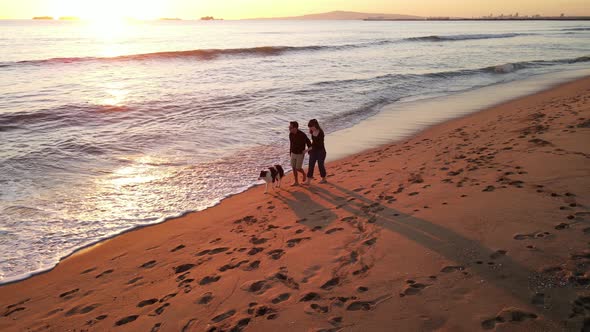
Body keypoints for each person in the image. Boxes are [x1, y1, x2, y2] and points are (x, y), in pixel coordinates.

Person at [305, 119, 327, 184]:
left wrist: (307, 150)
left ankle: (324, 178)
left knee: (320, 165)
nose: (310, 128)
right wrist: (309, 150)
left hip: (321, 151)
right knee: (311, 165)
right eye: (309, 127)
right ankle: (308, 180)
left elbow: (317, 144)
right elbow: (313, 143)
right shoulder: (312, 132)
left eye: (311, 127)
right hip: (314, 151)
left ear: (315, 125)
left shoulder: (321, 132)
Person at [288, 121, 311, 186]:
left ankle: (304, 174)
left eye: (291, 127)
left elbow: (309, 144)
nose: (289, 128)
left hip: (300, 154)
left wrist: (306, 151)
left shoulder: (302, 135)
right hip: (293, 153)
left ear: (295, 128)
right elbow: (291, 144)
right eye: (289, 127)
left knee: (298, 168)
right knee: (293, 167)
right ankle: (296, 182)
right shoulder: (290, 134)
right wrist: (290, 152)